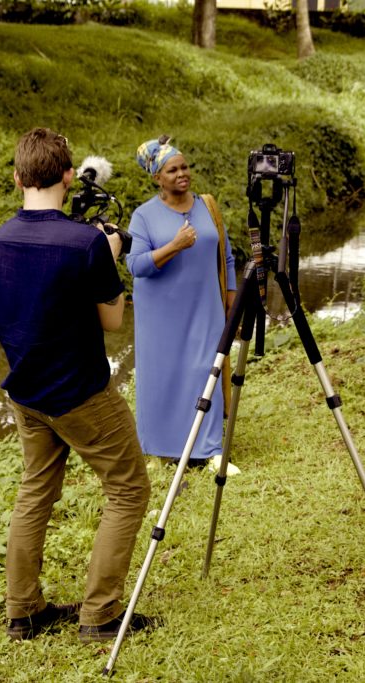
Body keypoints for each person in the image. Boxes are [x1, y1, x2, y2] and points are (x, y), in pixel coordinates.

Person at [0, 127, 155, 643]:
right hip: (80, 393)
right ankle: (100, 615)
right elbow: (112, 322)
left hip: (26, 392)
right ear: (67, 174)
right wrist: (105, 253)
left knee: (35, 490)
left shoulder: (1, 237)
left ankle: (24, 611)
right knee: (128, 490)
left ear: (18, 178)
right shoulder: (84, 242)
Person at [126, 136, 237, 468]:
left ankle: (211, 449)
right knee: (163, 376)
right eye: (172, 170)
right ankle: (160, 448)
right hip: (161, 313)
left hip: (205, 306)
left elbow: (226, 256)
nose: (181, 174)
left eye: (184, 167)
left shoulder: (207, 206)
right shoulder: (144, 216)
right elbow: (136, 266)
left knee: (208, 370)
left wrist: (231, 296)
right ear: (157, 177)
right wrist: (173, 246)